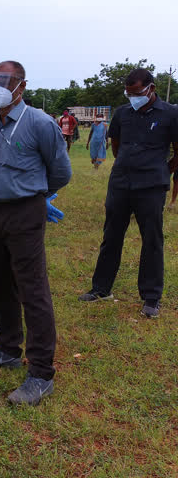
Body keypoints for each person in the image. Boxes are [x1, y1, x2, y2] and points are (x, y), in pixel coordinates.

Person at [0, 60, 72, 406]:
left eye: (6, 80)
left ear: (21, 86)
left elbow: (60, 171)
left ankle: (41, 374)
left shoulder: (40, 124)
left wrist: (34, 195)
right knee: (0, 283)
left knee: (33, 290)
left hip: (25, 213)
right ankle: (7, 349)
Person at [79, 68, 178, 318]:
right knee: (111, 235)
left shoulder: (170, 114)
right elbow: (115, 145)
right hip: (121, 182)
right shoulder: (123, 114)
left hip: (152, 186)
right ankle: (101, 288)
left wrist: (162, 171)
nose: (133, 98)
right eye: (129, 94)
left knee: (152, 240)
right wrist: (126, 165)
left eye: (137, 93)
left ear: (151, 89)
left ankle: (151, 298)